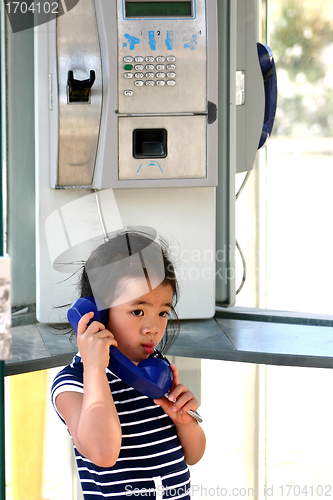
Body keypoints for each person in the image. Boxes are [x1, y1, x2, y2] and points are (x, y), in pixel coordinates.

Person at [51, 229, 206, 499]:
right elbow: (103, 453)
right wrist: (96, 369)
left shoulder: (156, 370)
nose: (153, 328)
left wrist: (184, 422)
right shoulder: (74, 383)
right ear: (96, 313)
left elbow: (193, 455)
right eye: (137, 311)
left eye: (162, 313)